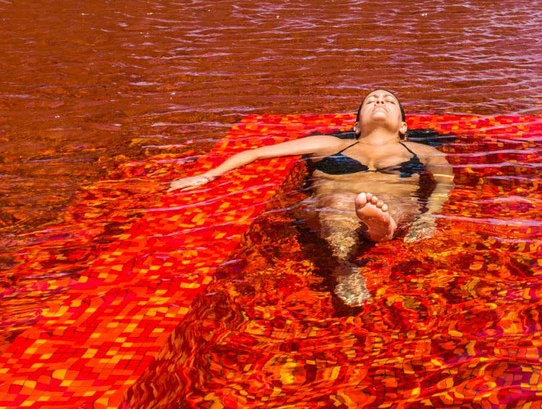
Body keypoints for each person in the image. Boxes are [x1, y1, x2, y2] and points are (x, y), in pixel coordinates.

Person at [170, 90, 453, 306]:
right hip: (337, 203)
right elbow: (258, 153)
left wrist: (429, 217)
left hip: (394, 200)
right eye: (372, 100)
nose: (379, 101)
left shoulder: (421, 151)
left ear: (404, 127)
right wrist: (210, 175)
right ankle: (353, 255)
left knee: (392, 205)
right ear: (356, 126)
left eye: (388, 101)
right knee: (339, 202)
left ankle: (374, 235)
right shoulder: (330, 144)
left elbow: (444, 183)